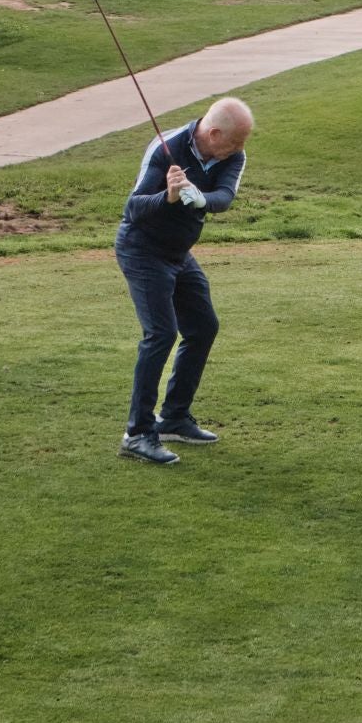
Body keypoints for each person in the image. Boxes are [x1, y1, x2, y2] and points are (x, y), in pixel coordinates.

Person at [115, 96, 254, 465]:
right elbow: (134, 208)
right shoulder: (166, 148)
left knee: (203, 327)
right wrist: (170, 196)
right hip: (142, 250)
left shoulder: (233, 155)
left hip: (179, 254)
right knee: (160, 334)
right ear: (213, 133)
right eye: (234, 143)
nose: (239, 152)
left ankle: (173, 417)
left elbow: (224, 198)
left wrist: (199, 199)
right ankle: (137, 434)